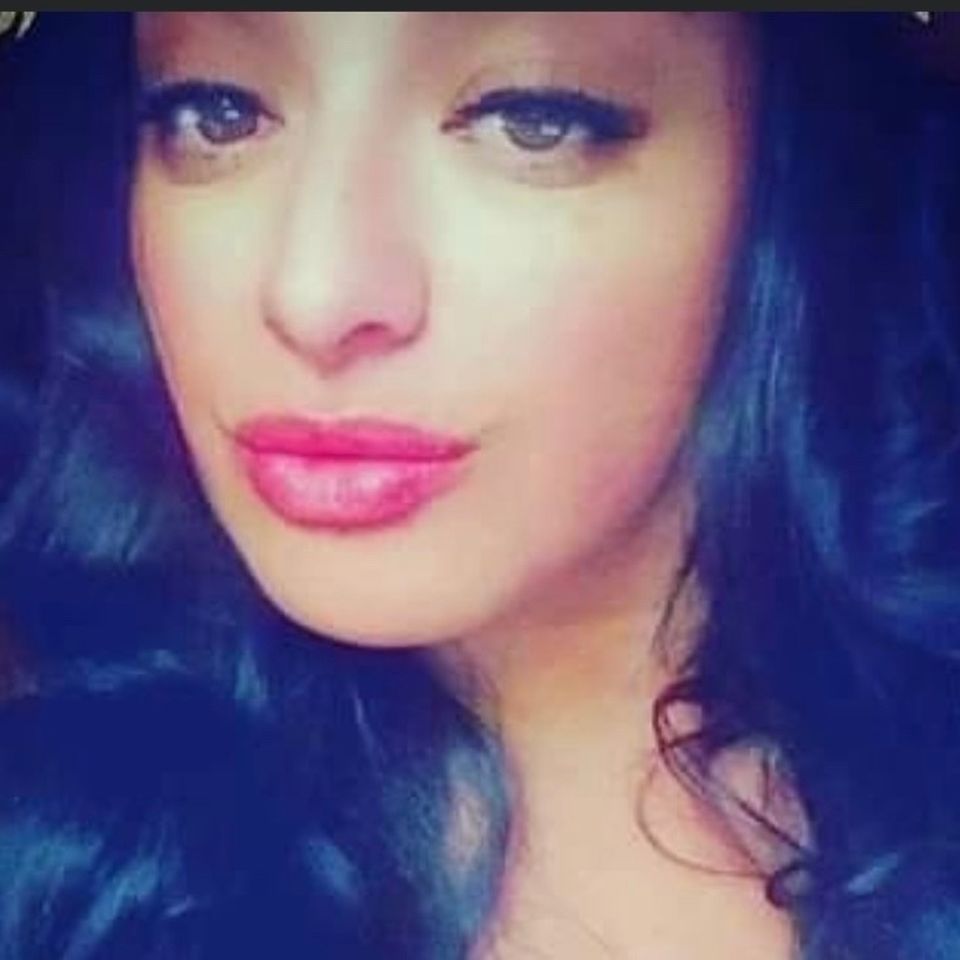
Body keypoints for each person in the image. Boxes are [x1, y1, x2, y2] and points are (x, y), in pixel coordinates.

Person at [0, 12, 958, 959]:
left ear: (791, 185)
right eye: (216, 112)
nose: (312, 296)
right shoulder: (56, 827)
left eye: (532, 117)